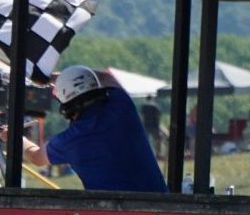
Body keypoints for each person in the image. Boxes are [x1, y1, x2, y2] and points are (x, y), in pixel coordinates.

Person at [19, 64, 167, 193]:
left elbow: (36, 157)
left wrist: (16, 137)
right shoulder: (121, 103)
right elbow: (106, 77)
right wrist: (53, 78)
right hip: (161, 207)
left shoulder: (71, 140)